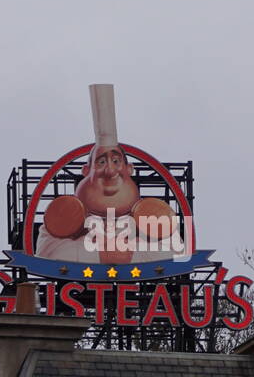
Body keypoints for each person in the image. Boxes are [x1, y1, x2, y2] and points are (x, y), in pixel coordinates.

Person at [36, 84, 185, 264]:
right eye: (101, 162)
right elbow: (48, 255)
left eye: (116, 161)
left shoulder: (154, 215)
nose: (110, 171)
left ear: (129, 169)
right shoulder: (63, 217)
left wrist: (97, 251)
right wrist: (119, 252)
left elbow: (176, 253)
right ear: (85, 171)